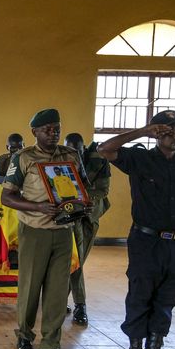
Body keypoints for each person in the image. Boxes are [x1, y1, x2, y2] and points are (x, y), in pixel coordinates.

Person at [98, 109, 175, 349]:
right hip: (146, 241)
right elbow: (105, 149)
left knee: (168, 298)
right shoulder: (140, 158)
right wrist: (142, 132)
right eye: (169, 129)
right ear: (158, 132)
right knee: (140, 294)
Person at [1, 108, 88, 349]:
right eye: (48, 129)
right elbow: (7, 197)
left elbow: (81, 187)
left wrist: (85, 203)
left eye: (57, 128)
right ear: (35, 132)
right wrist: (37, 208)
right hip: (35, 230)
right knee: (30, 288)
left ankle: (51, 345)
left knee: (58, 291)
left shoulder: (70, 156)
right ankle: (24, 338)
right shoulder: (24, 158)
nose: (54, 133)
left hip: (64, 231)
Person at [64, 133, 111, 325]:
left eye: (78, 150)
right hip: (68, 217)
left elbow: (103, 190)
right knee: (71, 260)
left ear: (84, 149)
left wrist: (79, 198)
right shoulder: (60, 161)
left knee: (77, 261)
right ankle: (76, 304)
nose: (74, 154)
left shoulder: (98, 161)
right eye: (70, 150)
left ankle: (74, 303)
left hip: (89, 217)